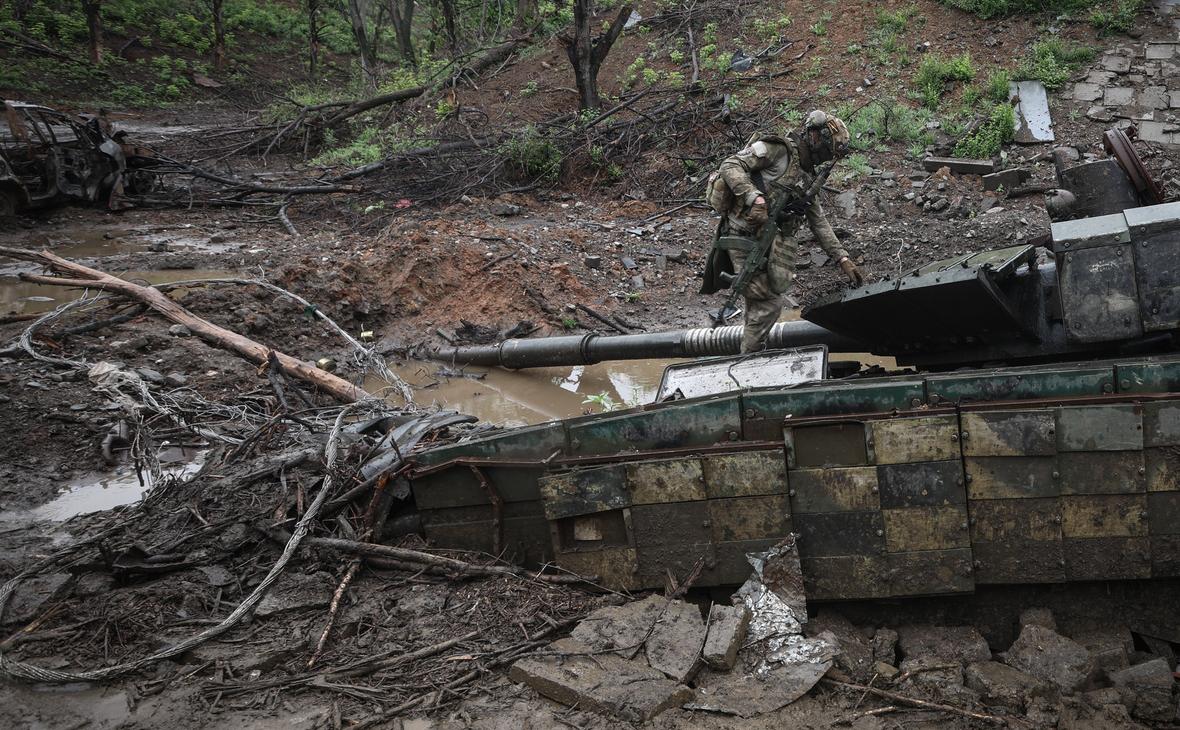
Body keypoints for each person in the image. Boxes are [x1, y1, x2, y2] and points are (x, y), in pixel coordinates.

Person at [702, 110, 865, 352]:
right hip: (741, 235)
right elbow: (731, 164)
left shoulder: (807, 177)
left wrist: (842, 258)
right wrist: (753, 197)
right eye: (828, 148)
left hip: (767, 243)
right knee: (768, 304)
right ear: (814, 137)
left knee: (762, 301)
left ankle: (752, 348)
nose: (826, 156)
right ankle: (748, 362)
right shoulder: (778, 150)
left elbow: (818, 221)